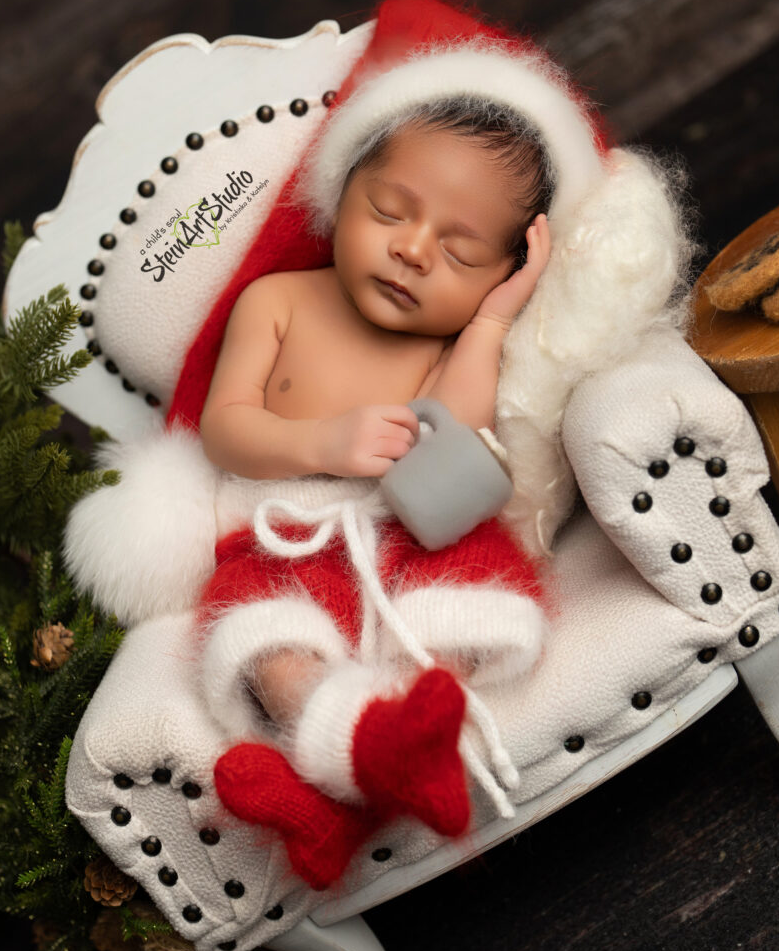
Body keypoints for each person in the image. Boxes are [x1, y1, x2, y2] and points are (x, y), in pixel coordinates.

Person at [198, 98, 553, 890]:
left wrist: (491, 321)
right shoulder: (279, 302)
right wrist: (317, 442)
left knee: (466, 582)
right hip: (285, 535)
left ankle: (339, 795)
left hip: (395, 530)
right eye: (389, 210)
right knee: (265, 635)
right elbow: (223, 428)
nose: (414, 251)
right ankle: (372, 749)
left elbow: (455, 432)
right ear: (344, 190)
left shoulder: (444, 345)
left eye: (463, 256)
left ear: (500, 273)